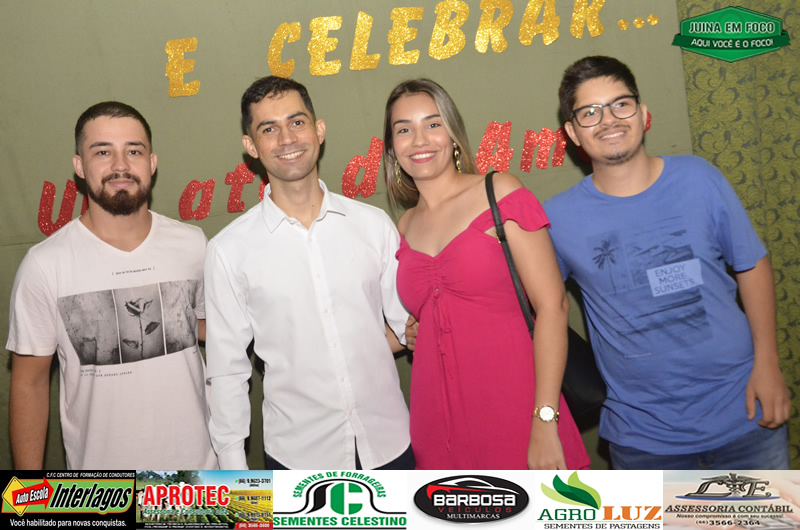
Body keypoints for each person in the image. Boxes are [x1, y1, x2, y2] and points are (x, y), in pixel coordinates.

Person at [544, 55, 791, 469]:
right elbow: (537, 306)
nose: (609, 119)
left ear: (643, 113)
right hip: (644, 438)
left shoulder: (699, 178)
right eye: (590, 112)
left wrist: (768, 363)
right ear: (572, 132)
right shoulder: (557, 218)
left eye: (621, 104)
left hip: (745, 413)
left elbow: (752, 265)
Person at [204, 76, 414, 470]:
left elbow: (408, 326)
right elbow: (226, 371)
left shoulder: (373, 225)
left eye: (296, 122)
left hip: (391, 442)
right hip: (297, 456)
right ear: (251, 146)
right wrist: (233, 469)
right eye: (269, 129)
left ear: (318, 130)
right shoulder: (229, 251)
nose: (287, 138)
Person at [383, 78, 590, 470]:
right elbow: (425, 315)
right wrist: (415, 330)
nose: (420, 140)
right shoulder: (404, 226)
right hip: (436, 418)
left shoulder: (500, 192)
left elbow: (553, 306)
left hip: (518, 404)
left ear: (453, 134)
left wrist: (545, 419)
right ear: (393, 148)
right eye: (404, 130)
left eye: (433, 124)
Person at [7, 102, 217, 470]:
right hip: (102, 484)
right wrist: (28, 492)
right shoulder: (45, 265)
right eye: (103, 152)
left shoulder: (193, 244)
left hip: (199, 476)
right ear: (79, 166)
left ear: (151, 163)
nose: (121, 165)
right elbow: (29, 384)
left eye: (133, 151)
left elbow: (204, 326)